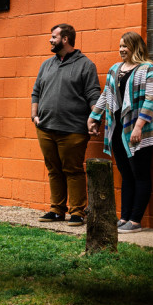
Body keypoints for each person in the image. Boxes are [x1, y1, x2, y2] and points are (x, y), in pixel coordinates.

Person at [87, 31, 153, 233]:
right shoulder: (115, 69)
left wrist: (138, 127)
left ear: (135, 47)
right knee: (126, 175)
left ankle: (135, 221)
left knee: (140, 174)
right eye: (120, 46)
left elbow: (151, 100)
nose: (121, 50)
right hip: (117, 130)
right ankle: (125, 217)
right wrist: (94, 116)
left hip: (139, 131)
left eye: (125, 46)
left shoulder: (149, 69)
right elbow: (106, 95)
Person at [31, 23, 101, 226]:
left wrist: (95, 118)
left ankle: (78, 212)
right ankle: (56, 210)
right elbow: (36, 91)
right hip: (45, 128)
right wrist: (34, 115)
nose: (50, 40)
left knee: (73, 170)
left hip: (73, 130)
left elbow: (93, 94)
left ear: (65, 39)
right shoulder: (46, 64)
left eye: (54, 37)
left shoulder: (85, 65)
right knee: (54, 169)